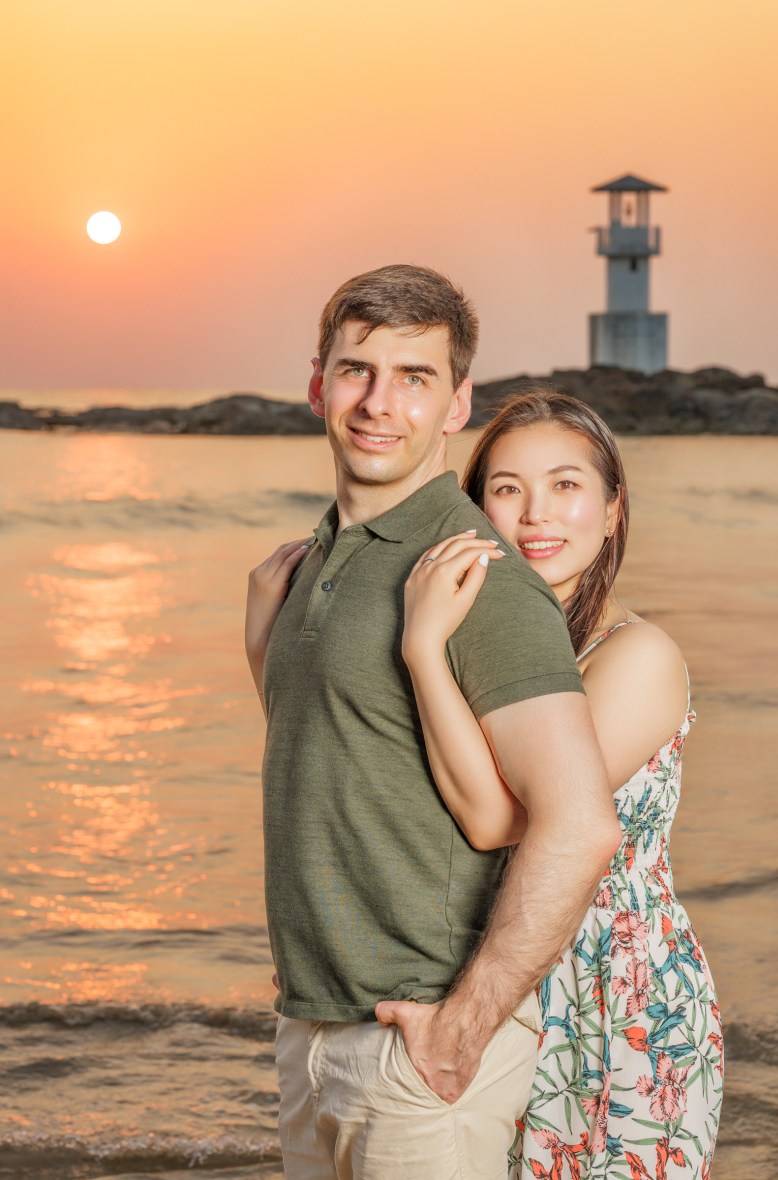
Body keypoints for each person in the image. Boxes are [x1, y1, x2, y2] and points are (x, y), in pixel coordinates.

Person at [245, 264, 621, 1180]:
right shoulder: (309, 562)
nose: (379, 403)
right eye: (356, 370)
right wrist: (263, 642)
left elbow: (579, 827)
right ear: (318, 386)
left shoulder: (475, 576)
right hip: (314, 1028)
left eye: (414, 378)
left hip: (417, 1050)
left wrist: (464, 1026)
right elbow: (340, 762)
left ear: (456, 405)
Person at [399, 389, 724, 1179]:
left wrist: (421, 650)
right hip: (496, 974)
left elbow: (500, 822)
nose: (535, 514)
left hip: (619, 998)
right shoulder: (486, 651)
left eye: (565, 485)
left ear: (612, 510)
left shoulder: (635, 657)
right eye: (506, 489)